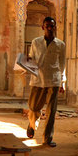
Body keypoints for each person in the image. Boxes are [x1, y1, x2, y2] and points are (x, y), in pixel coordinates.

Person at [26, 16, 66, 147]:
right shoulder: (36, 42)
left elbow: (62, 64)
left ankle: (47, 138)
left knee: (51, 111)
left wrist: (62, 82)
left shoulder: (61, 45)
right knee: (33, 107)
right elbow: (30, 58)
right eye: (47, 25)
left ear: (55, 27)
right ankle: (32, 125)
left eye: (52, 26)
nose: (50, 28)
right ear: (43, 27)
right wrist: (26, 62)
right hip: (37, 80)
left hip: (53, 80)